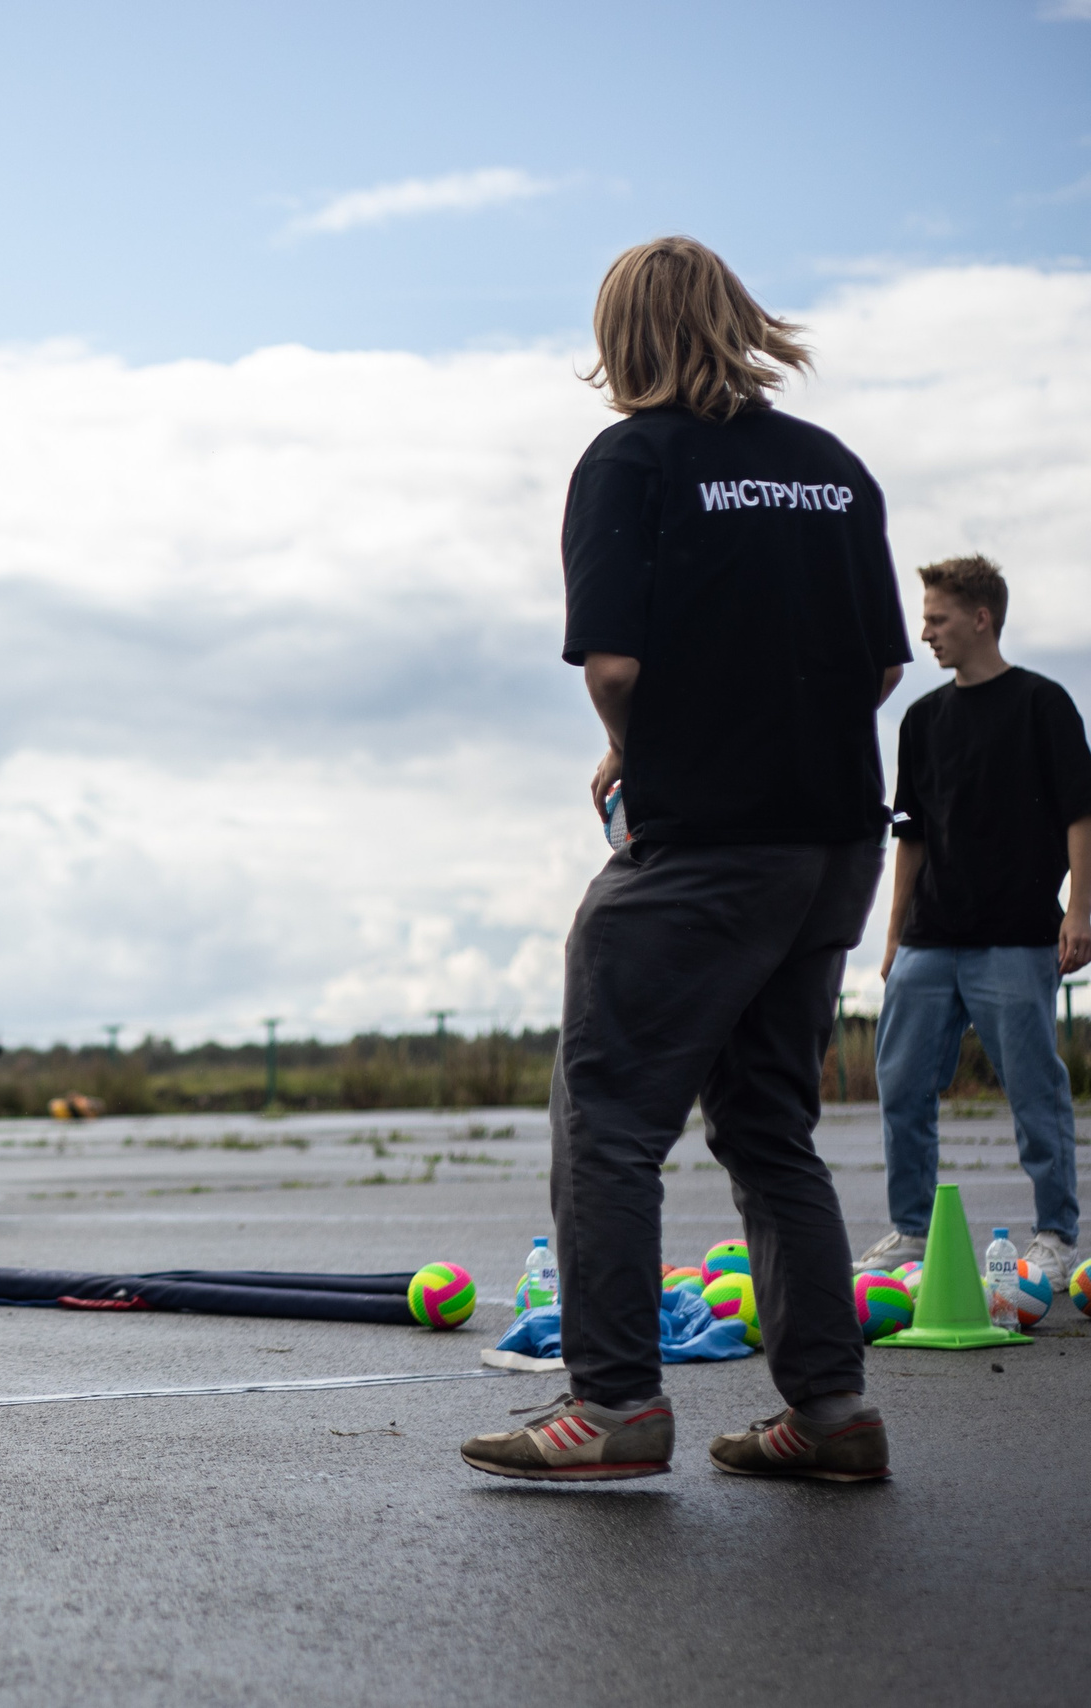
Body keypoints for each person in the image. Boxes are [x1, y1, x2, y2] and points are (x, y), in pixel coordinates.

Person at [460, 238, 907, 1484]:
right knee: (770, 1127)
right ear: (737, 320)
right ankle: (830, 1412)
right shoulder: (831, 467)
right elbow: (878, 667)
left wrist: (636, 750)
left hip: (702, 844)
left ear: (621, 337)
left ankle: (611, 1406)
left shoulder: (632, 457)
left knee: (605, 1121)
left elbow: (615, 667)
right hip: (832, 844)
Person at [860, 556, 1089, 1283]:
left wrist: (1080, 910)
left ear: (981, 618)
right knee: (899, 1085)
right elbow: (912, 836)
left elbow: (1082, 813)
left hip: (1016, 935)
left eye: (937, 618)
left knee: (1033, 1089)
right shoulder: (922, 719)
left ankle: (1054, 1234)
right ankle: (912, 1233)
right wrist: (894, 934)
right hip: (930, 938)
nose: (924, 632)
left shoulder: (1042, 704)